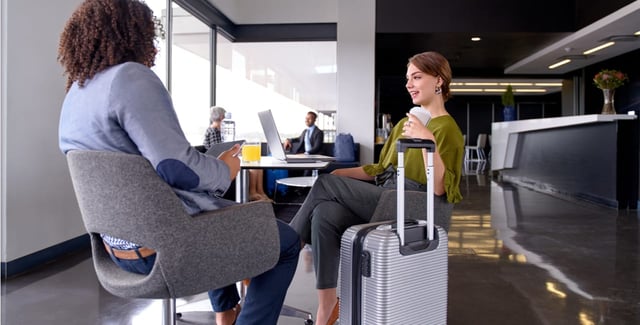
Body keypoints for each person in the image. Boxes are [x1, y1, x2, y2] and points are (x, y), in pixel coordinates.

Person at [57, 1, 300, 324]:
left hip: (118, 250)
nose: (153, 45)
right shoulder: (130, 77)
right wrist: (224, 170)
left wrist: (207, 169)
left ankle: (225, 313)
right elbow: (176, 167)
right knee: (286, 242)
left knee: (219, 217)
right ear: (134, 33)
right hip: (167, 248)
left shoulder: (75, 95)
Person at [288, 51, 464, 325]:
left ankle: (285, 247)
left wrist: (427, 139)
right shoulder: (406, 124)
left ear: (438, 81)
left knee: (326, 187)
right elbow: (378, 170)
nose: (409, 84)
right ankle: (327, 307)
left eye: (417, 77)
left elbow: (441, 189)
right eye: (408, 78)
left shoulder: (447, 129)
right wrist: (334, 174)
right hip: (386, 194)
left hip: (414, 202)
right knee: (325, 212)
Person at [203, 106, 270, 202]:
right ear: (222, 117)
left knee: (256, 167)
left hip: (223, 156)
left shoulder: (220, 130)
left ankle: (260, 192)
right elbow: (218, 149)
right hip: (215, 159)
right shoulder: (213, 131)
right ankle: (252, 193)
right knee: (252, 167)